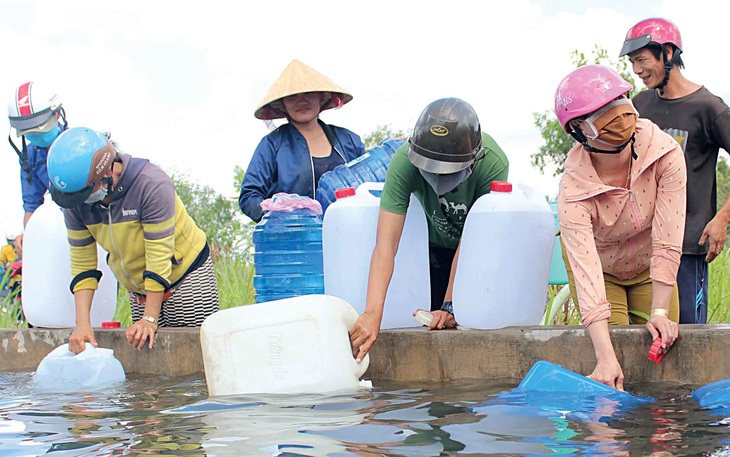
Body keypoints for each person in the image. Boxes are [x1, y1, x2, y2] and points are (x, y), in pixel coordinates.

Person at [349, 98, 509, 362]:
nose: (437, 179)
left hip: (475, 252)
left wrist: (450, 305)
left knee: (466, 324)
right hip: (432, 249)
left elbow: (473, 240)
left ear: (473, 159)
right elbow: (386, 245)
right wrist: (372, 313)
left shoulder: (492, 162)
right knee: (434, 327)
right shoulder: (403, 162)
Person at [555, 64, 685, 389]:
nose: (617, 114)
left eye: (619, 101)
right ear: (579, 129)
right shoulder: (573, 190)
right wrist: (604, 356)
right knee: (614, 360)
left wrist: (660, 310)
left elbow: (669, 238)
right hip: (601, 270)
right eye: (601, 112)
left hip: (649, 261)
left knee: (662, 350)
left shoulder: (665, 153)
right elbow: (586, 274)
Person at [46, 127, 220, 354]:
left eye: (84, 194)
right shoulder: (76, 201)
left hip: (185, 277)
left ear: (106, 171)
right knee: (147, 359)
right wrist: (83, 324)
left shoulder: (150, 184)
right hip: (139, 286)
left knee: (195, 357)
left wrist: (150, 317)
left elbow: (159, 256)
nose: (81, 202)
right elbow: (83, 264)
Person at [619, 18, 730, 324]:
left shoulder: (709, 108)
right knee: (642, 334)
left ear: (668, 53)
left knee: (687, 333)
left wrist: (722, 219)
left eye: (642, 60)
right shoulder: (637, 105)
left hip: (687, 245)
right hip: (640, 244)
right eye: (632, 63)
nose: (637, 71)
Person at [239, 59, 365, 222]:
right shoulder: (272, 145)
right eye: (292, 97)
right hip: (296, 242)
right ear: (282, 105)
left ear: (322, 97)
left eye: (309, 93)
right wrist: (279, 213)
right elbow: (249, 196)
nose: (301, 101)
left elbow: (367, 187)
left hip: (347, 234)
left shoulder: (348, 140)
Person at [7, 81, 68, 251]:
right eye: (29, 132)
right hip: (64, 228)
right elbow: (32, 204)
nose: (35, 135)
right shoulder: (30, 156)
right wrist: (30, 237)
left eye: (39, 128)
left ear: (57, 115)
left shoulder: (79, 145)